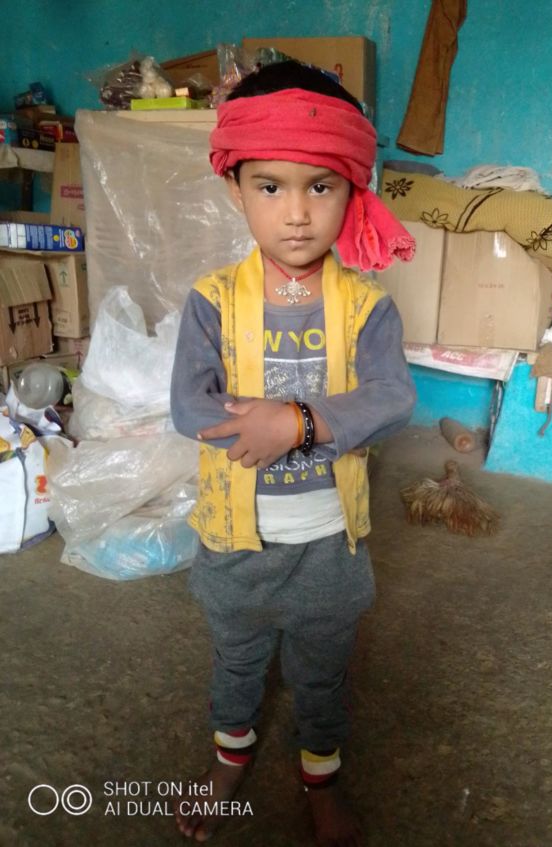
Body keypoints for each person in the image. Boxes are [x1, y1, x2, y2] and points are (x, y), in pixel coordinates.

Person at [170, 60, 416, 846]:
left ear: (354, 187)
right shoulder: (211, 300)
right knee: (236, 663)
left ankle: (322, 778)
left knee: (321, 672)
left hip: (327, 545)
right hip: (234, 545)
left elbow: (393, 397)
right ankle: (229, 760)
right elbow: (188, 406)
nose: (299, 214)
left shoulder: (369, 308)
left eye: (322, 186)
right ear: (234, 189)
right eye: (270, 186)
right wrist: (260, 422)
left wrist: (298, 422)